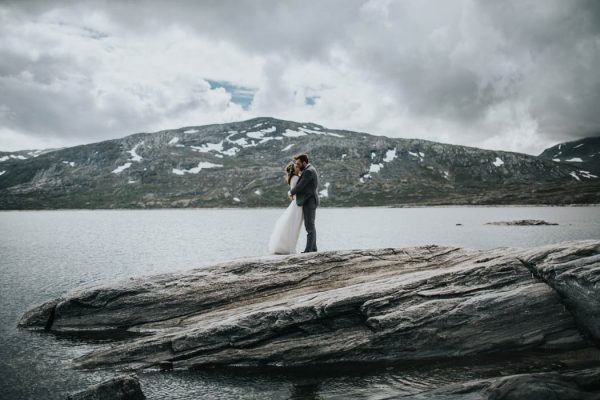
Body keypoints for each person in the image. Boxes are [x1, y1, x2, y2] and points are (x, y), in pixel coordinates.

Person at [268, 161, 304, 254]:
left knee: (292, 227)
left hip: (295, 204)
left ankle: (288, 247)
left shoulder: (293, 178)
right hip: (297, 206)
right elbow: (297, 190)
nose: (298, 167)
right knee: (294, 227)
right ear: (293, 169)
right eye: (296, 167)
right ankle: (291, 248)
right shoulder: (295, 178)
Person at [289, 153, 319, 253]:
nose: (297, 165)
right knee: (311, 225)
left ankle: (309, 250)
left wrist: (291, 192)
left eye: (298, 163)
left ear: (304, 162)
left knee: (309, 226)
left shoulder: (308, 172)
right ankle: (313, 248)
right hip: (310, 200)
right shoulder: (309, 169)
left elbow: (300, 186)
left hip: (310, 201)